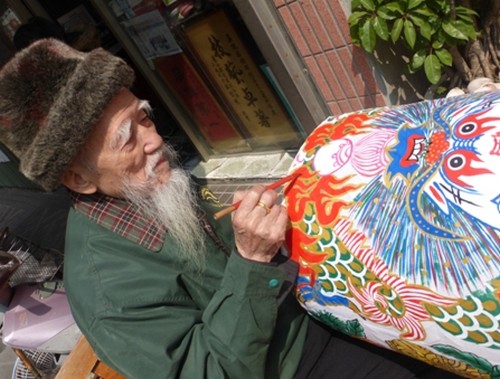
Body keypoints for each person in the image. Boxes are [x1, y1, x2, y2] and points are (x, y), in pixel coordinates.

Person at [0, 39, 461, 378]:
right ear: (78, 179)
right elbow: (210, 371)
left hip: (316, 311)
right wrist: (251, 260)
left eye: (144, 117)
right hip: (291, 365)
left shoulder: (146, 186)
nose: (155, 139)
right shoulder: (105, 289)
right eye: (127, 139)